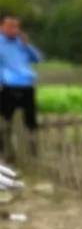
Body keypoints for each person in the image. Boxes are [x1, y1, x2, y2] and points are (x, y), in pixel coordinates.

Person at [0, 15, 43, 145]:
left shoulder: (21, 43)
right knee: (6, 118)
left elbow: (38, 58)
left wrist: (27, 45)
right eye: (11, 26)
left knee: (30, 118)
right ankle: (5, 148)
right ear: (2, 27)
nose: (15, 30)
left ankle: (31, 145)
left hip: (25, 84)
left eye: (16, 27)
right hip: (7, 85)